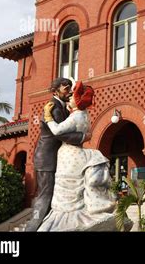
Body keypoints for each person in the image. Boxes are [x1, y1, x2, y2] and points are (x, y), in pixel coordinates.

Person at [37, 81, 116, 231]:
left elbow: (57, 131)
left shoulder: (75, 116)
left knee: (66, 192)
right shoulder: (84, 114)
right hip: (76, 153)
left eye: (72, 96)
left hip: (69, 155)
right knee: (75, 192)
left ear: (78, 101)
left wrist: (48, 117)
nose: (69, 98)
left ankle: (62, 225)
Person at [26, 78, 91, 232]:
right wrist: (83, 137)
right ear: (55, 90)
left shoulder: (63, 107)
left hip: (57, 159)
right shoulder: (53, 107)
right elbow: (60, 134)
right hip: (47, 159)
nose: (68, 91)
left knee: (53, 199)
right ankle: (31, 229)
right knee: (45, 197)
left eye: (70, 88)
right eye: (65, 88)